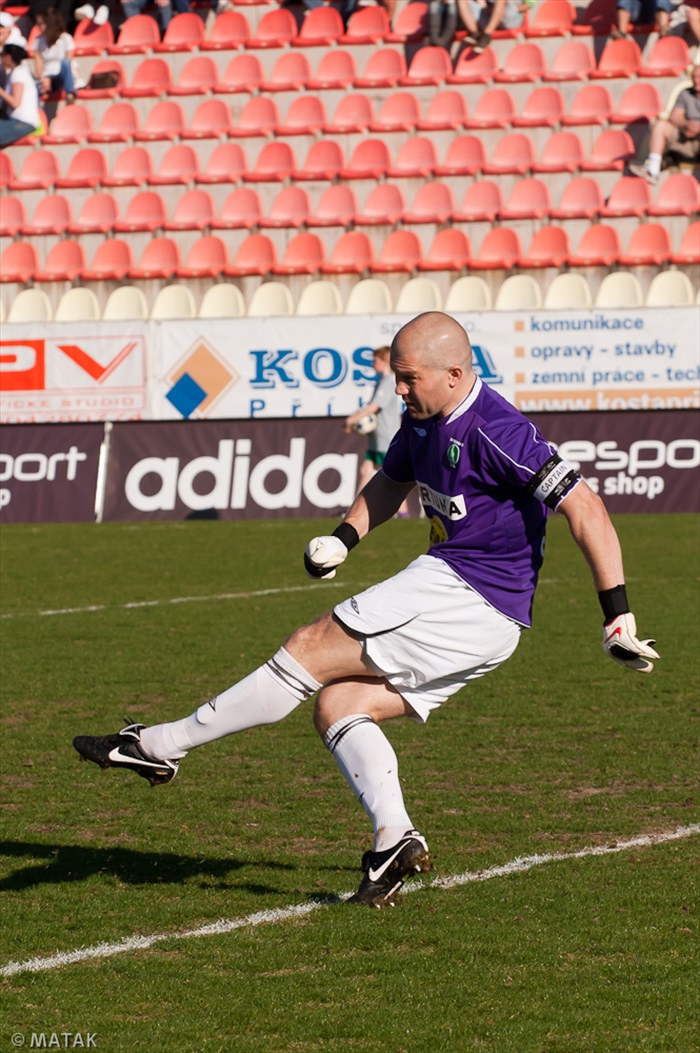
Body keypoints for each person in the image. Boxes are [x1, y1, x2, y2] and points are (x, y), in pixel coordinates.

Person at [72, 312, 659, 909]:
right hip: (484, 618)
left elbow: (587, 508)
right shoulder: (422, 418)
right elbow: (391, 481)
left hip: (467, 593)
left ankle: (160, 745)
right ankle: (393, 841)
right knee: (339, 706)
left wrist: (617, 615)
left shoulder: (496, 429)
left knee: (309, 645)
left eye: (408, 378)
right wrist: (344, 537)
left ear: (454, 374)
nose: (398, 390)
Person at [344, 344, 409, 515]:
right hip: (376, 438)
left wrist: (353, 419)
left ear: (384, 361)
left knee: (393, 479)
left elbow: (374, 407)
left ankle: (404, 514)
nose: (373, 364)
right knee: (366, 470)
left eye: (376, 360)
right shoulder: (380, 380)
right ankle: (354, 511)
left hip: (386, 437)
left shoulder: (389, 381)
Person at [629, 61, 700, 184]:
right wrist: (685, 125)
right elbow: (675, 117)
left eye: (699, 76)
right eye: (694, 76)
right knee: (661, 125)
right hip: (686, 140)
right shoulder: (685, 93)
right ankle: (653, 168)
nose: (696, 80)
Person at [31, 8, 77, 104]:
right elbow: (38, 64)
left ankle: (70, 93)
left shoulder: (65, 38)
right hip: (47, 76)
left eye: (41, 23)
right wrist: (43, 79)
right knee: (32, 88)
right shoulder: (38, 40)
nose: (38, 26)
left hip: (62, 76)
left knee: (65, 63)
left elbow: (69, 61)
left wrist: (51, 79)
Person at [0, 44, 41, 148]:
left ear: (8, 57)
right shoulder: (13, 73)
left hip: (24, 122)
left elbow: (15, 103)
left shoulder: (19, 73)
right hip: (14, 119)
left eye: (2, 56)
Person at [457, 0, 524, 52]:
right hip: (490, 15)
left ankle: (486, 36)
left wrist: (516, 9)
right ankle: (474, 34)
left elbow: (530, 3)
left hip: (509, 18)